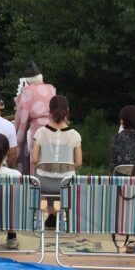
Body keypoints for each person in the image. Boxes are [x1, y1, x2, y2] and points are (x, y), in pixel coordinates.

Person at [31, 95, 82, 228]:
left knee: (45, 174)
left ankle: (51, 213)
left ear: (50, 111)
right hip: (66, 184)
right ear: (67, 111)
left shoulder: (40, 132)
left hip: (44, 184)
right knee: (64, 179)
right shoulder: (75, 135)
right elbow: (78, 162)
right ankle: (63, 214)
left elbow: (34, 159)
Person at [13, 59, 56, 174]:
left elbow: (22, 117)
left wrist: (17, 133)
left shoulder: (27, 91)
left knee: (35, 158)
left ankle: (34, 180)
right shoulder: (52, 89)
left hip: (36, 129)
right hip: (53, 127)